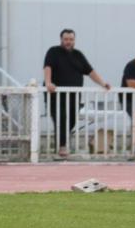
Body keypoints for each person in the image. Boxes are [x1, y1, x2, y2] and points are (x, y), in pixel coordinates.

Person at [43, 29, 110, 158]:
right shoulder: (53, 51)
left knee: (72, 120)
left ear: (74, 40)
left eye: (71, 39)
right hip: (55, 95)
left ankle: (61, 142)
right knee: (60, 118)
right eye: (66, 39)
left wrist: (102, 83)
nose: (68, 42)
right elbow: (47, 67)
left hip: (74, 96)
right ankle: (62, 146)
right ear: (61, 39)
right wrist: (48, 82)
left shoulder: (78, 55)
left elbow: (90, 71)